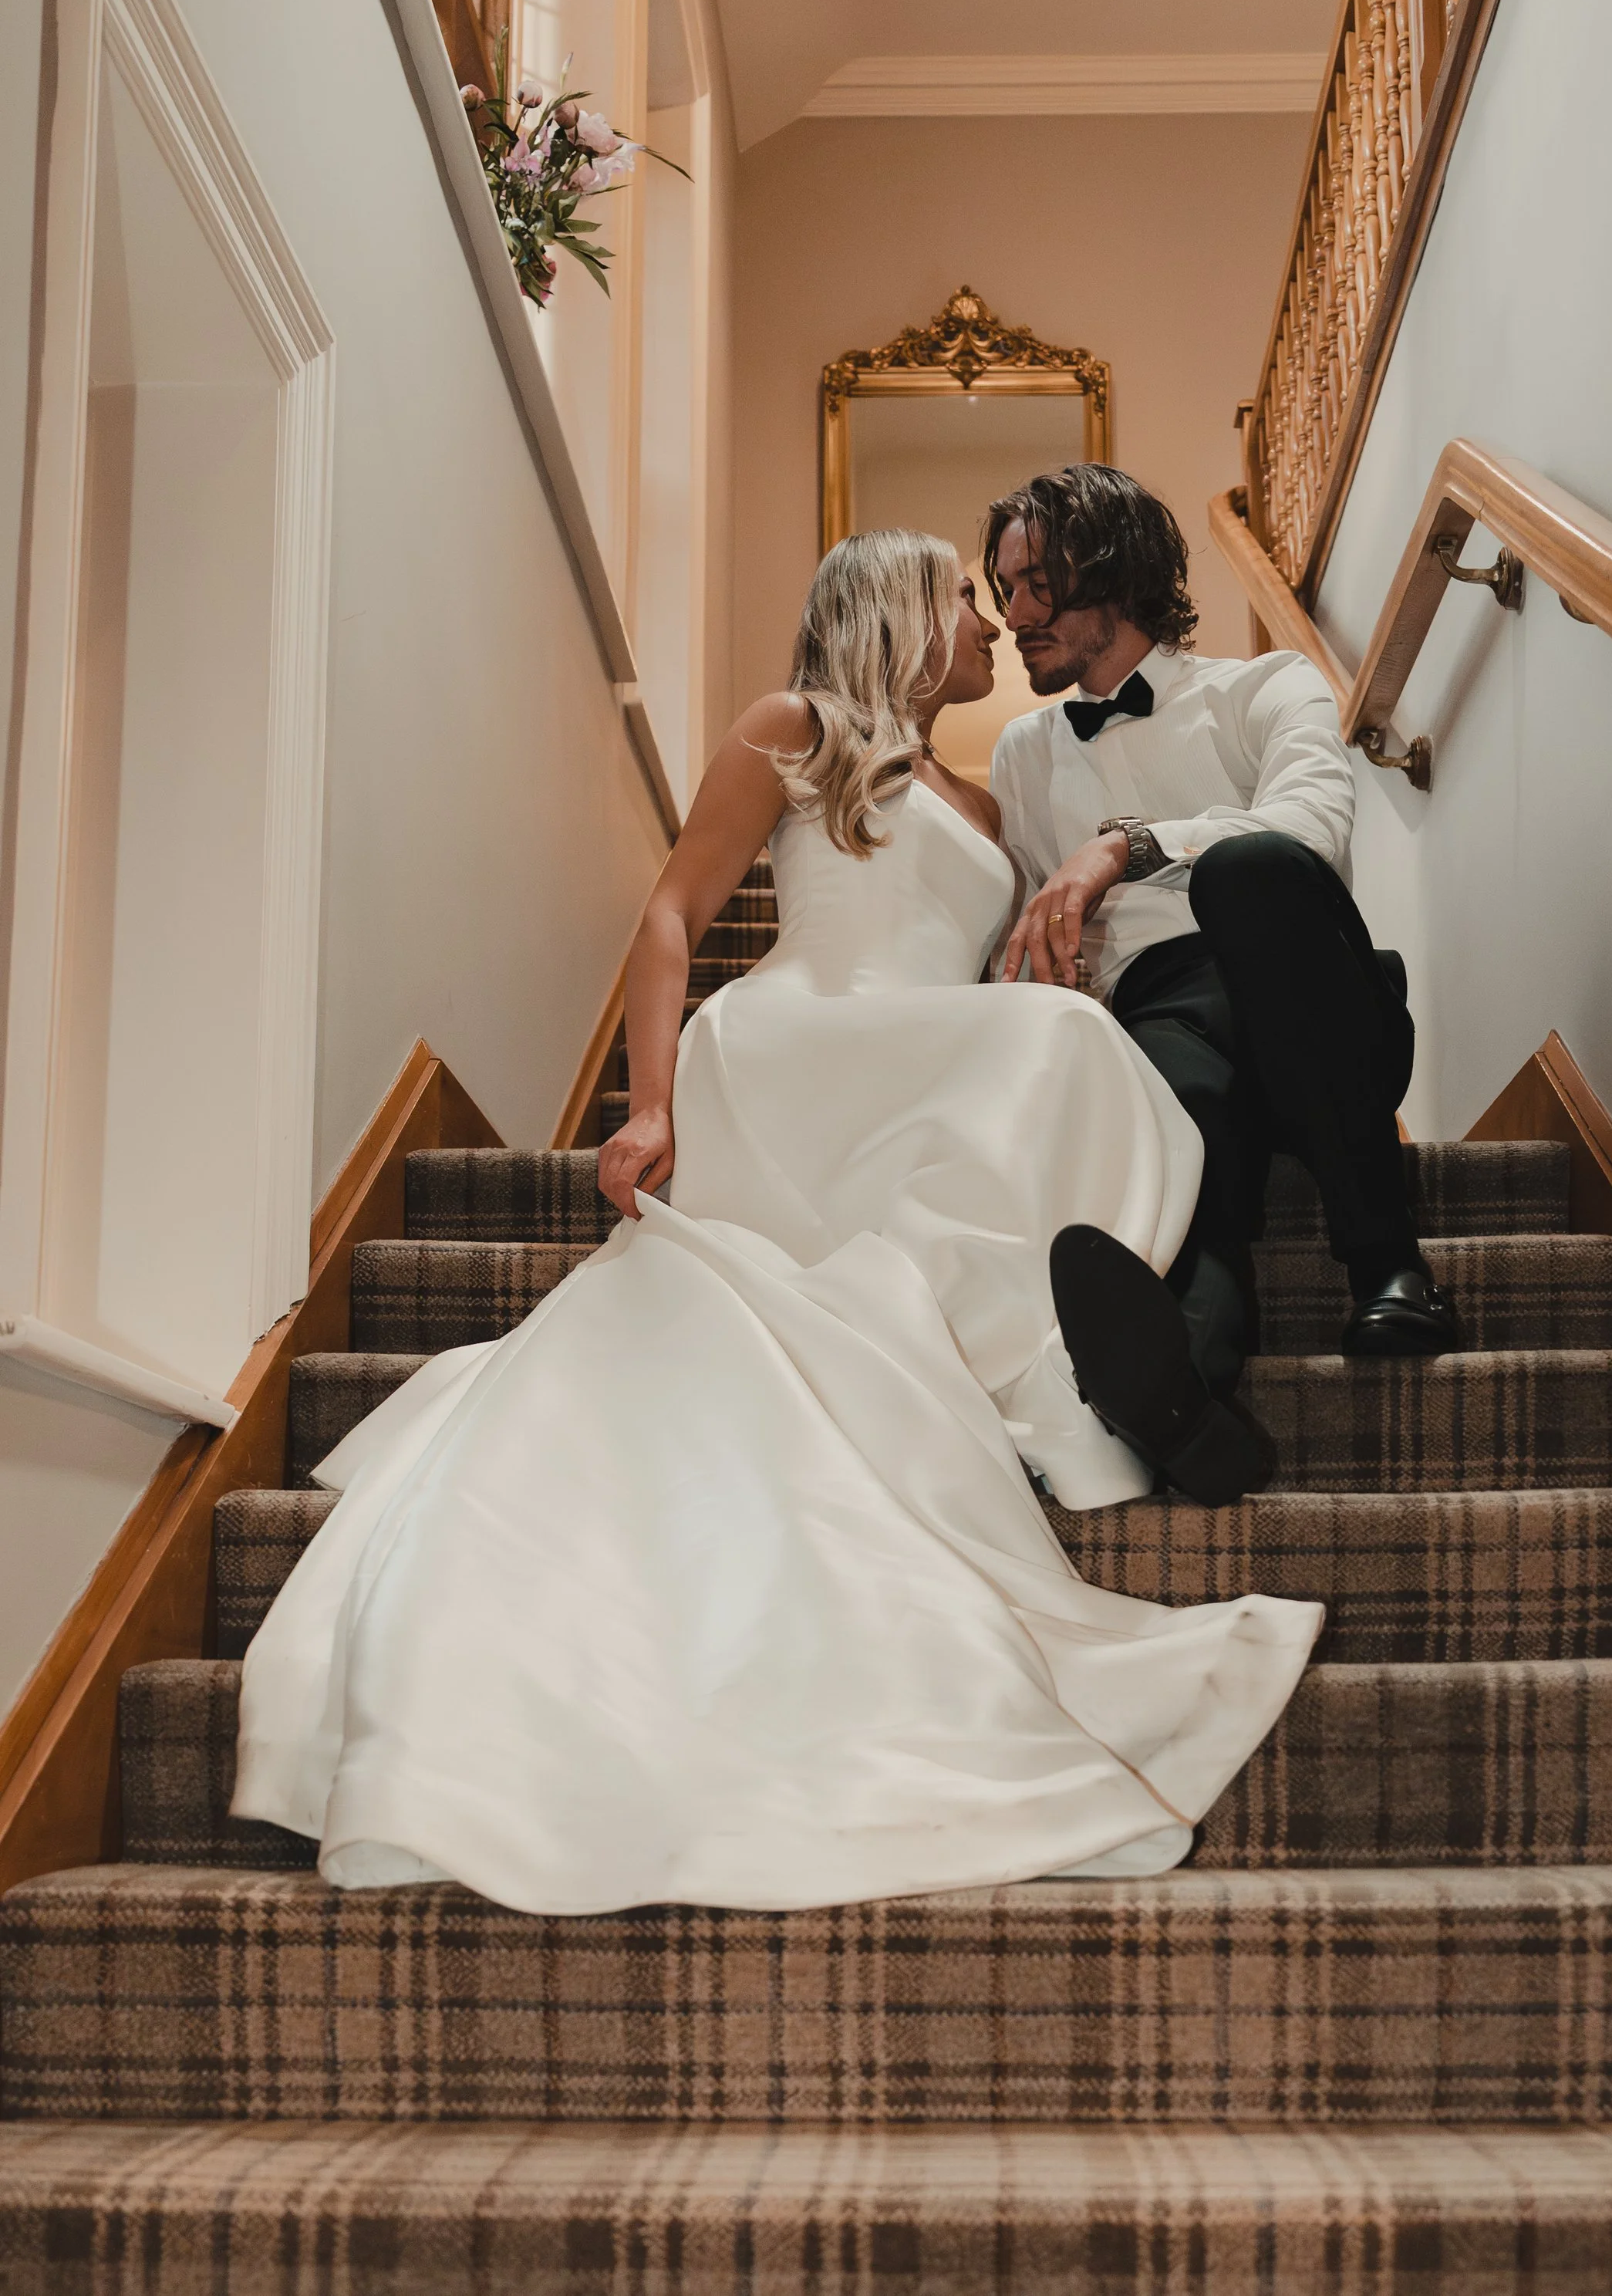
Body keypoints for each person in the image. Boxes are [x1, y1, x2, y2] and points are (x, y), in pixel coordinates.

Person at [231, 529, 1320, 1916]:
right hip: (798, 1046)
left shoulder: (989, 805)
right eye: (967, 607)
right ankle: (1053, 1353)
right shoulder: (795, 728)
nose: (992, 631)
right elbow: (674, 914)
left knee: (1057, 1042)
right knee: (1042, 1048)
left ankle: (1039, 1337)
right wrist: (646, 1105)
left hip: (923, 1059)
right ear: (898, 611)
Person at [984, 463, 1457, 1491]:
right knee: (1180, 1124)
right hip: (1162, 1024)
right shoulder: (1022, 754)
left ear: (1115, 568)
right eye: (1003, 590)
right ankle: (1186, 1400)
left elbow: (1312, 830)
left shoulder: (1265, 684)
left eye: (1037, 585)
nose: (1014, 613)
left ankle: (1386, 1256)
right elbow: (1019, 916)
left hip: (1316, 1011)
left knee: (1249, 875)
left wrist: (1128, 846)